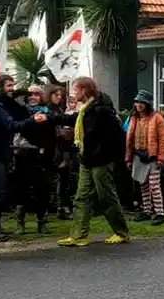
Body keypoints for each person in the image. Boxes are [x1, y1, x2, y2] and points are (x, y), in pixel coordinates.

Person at [52, 77, 130, 247]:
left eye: (75, 90)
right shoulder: (86, 109)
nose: (73, 94)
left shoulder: (101, 110)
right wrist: (52, 118)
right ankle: (79, 235)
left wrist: (106, 156)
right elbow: (75, 120)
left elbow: (114, 137)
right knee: (81, 197)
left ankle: (121, 232)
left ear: (84, 90)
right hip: (86, 159)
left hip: (100, 161)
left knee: (106, 196)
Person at [0, 75, 39, 242]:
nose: (12, 89)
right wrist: (32, 120)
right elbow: (10, 125)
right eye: (9, 85)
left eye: (13, 85)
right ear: (0, 87)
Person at [12, 85, 55, 235]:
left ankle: (42, 222)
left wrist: (46, 152)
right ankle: (20, 223)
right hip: (22, 155)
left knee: (41, 190)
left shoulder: (47, 113)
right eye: (30, 95)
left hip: (40, 157)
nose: (32, 97)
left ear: (41, 97)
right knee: (21, 190)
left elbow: (51, 137)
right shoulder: (20, 112)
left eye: (36, 94)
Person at [126, 90, 164, 226]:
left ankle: (160, 213)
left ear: (147, 104)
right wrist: (128, 158)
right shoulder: (133, 118)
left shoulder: (157, 118)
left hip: (153, 156)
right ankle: (147, 210)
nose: (138, 105)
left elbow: (163, 140)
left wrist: (161, 158)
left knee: (154, 185)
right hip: (138, 155)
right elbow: (129, 140)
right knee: (142, 184)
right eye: (137, 102)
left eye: (142, 103)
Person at [47, 85, 73, 220]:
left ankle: (62, 207)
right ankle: (47, 209)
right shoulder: (47, 110)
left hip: (64, 149)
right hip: (52, 148)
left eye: (60, 95)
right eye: (56, 95)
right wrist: (61, 133)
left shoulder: (61, 110)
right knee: (49, 180)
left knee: (64, 180)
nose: (59, 97)